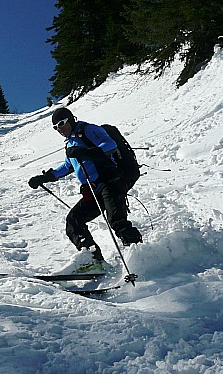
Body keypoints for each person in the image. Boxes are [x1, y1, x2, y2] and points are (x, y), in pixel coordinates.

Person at [28, 107, 142, 272]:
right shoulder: (71, 143)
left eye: (61, 123)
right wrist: (44, 178)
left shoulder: (88, 130)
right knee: (74, 221)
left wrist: (86, 152)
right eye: (55, 127)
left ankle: (142, 257)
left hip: (111, 182)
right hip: (93, 190)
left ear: (70, 119)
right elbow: (67, 166)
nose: (59, 129)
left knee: (118, 222)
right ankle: (94, 261)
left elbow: (110, 145)